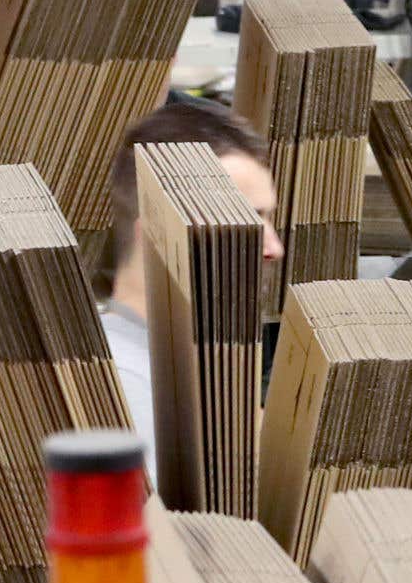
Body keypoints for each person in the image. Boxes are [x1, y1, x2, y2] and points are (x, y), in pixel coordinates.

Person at [99, 97, 284, 470]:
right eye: (248, 222)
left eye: (268, 220)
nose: (274, 248)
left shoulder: (192, 378)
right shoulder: (123, 392)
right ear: (158, 236)